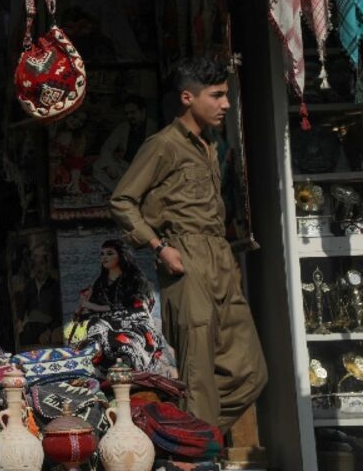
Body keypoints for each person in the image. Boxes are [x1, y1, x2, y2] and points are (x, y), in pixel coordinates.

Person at [110, 58, 266, 432]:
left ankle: (183, 432)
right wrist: (158, 245)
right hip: (185, 255)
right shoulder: (163, 145)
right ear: (187, 97)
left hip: (219, 257)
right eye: (216, 96)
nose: (225, 104)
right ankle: (197, 451)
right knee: (199, 373)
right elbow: (122, 200)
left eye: (226, 95)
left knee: (250, 370)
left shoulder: (208, 146)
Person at [75, 239, 167, 372]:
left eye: (109, 253)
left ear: (121, 255)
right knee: (94, 334)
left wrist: (95, 307)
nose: (104, 257)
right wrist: (82, 307)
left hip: (135, 324)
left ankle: (128, 368)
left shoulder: (135, 280)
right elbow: (88, 310)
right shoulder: (99, 283)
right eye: (102, 254)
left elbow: (137, 308)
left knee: (122, 343)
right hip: (106, 323)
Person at [94, 94, 155, 191]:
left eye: (132, 112)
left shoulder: (154, 128)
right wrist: (109, 164)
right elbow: (107, 148)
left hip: (145, 171)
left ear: (143, 111)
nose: (129, 116)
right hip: (125, 168)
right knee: (98, 166)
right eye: (127, 113)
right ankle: (119, 192)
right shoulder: (123, 127)